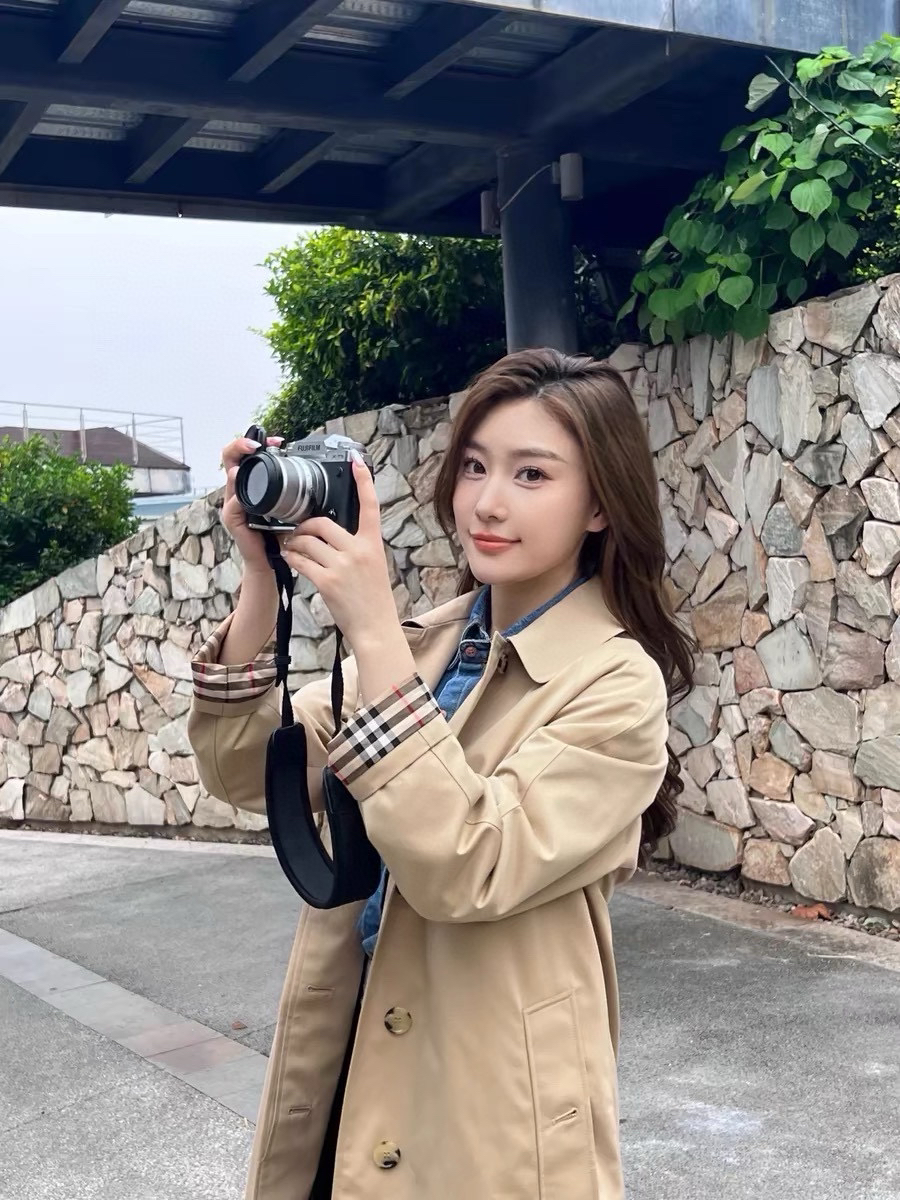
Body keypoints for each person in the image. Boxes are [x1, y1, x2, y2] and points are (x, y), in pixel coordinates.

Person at [188, 348, 694, 1200]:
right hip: (349, 1054)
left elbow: (468, 863)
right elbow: (243, 771)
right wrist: (261, 580)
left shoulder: (615, 683)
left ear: (601, 504)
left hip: (487, 1100)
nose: (487, 503)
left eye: (532, 474)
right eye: (474, 467)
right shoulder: (427, 645)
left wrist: (373, 628)